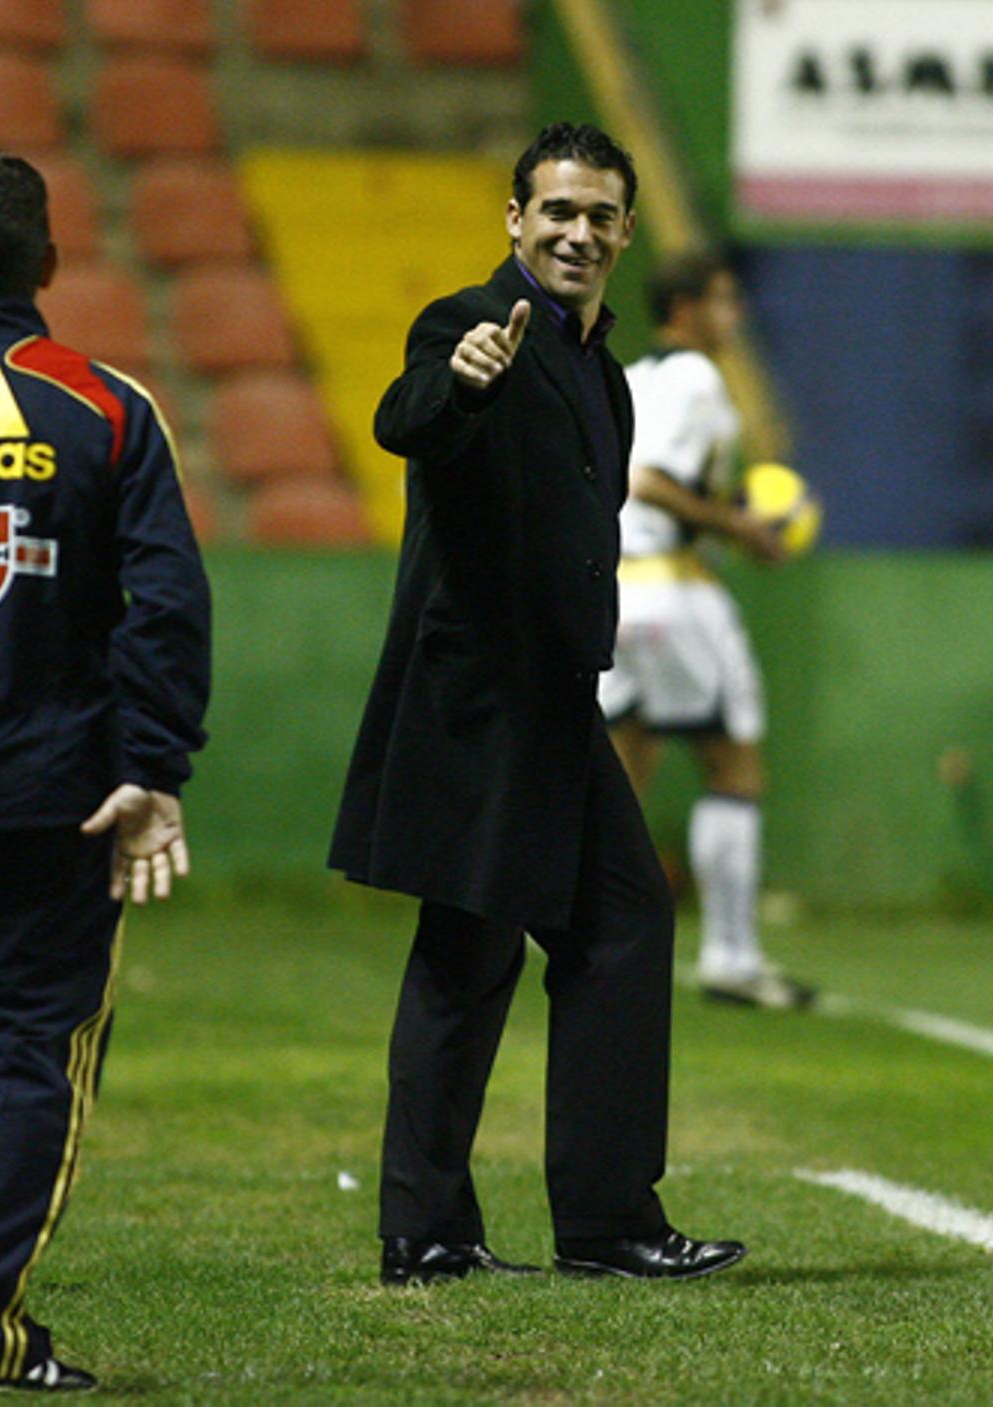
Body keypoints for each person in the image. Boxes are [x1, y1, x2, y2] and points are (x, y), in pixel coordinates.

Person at [329, 123, 747, 1285]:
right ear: (515, 218)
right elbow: (409, 418)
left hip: (555, 704)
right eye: (556, 210)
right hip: (479, 702)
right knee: (473, 955)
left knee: (610, 925)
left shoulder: (603, 373)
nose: (577, 232)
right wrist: (460, 384)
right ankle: (441, 1231)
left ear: (625, 231)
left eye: (600, 215)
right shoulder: (469, 325)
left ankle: (581, 1225)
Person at [0, 152, 210, 1392]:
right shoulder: (105, 407)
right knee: (25, 1057)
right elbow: (167, 607)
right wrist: (152, 767)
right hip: (57, 803)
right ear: (47, 261)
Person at [598, 250, 815, 1009]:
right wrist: (738, 525)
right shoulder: (696, 378)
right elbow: (648, 479)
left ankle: (589, 929)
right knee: (733, 767)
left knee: (626, 768)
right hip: (673, 590)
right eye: (724, 299)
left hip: (614, 591)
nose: (736, 314)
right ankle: (731, 957)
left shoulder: (632, 378)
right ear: (686, 307)